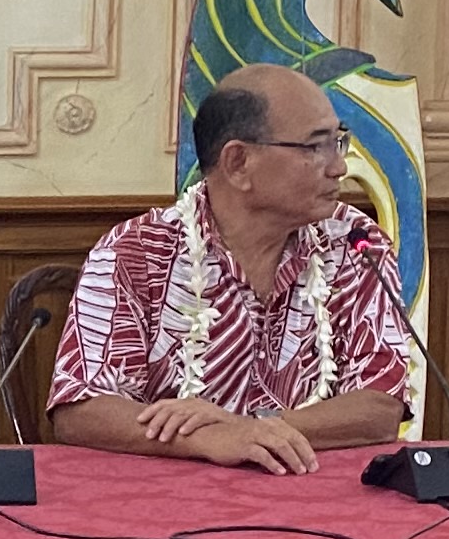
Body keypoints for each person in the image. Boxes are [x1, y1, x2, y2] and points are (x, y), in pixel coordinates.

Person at [47, 63, 412, 475]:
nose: (338, 167)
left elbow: (380, 405)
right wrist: (205, 439)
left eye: (337, 142)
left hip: (313, 492)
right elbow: (81, 408)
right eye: (314, 148)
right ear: (238, 163)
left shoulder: (355, 244)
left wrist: (249, 430)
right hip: (163, 500)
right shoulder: (137, 253)